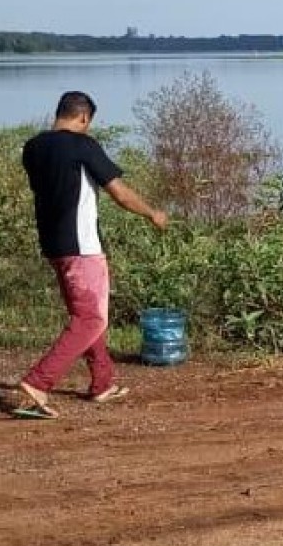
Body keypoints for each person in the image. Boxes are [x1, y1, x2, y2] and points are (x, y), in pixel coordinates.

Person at [14, 90, 168, 418]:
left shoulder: (33, 147)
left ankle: (102, 383)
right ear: (83, 117)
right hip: (82, 246)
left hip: (54, 245)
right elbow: (120, 194)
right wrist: (152, 213)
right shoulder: (83, 145)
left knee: (86, 316)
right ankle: (38, 381)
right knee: (91, 318)